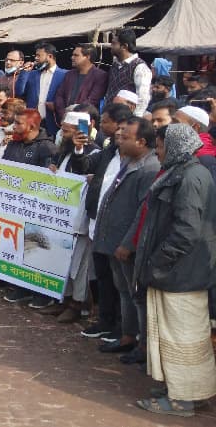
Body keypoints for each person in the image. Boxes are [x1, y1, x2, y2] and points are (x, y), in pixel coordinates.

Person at [133, 123, 216, 417]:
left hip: (179, 272)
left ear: (175, 146)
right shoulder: (186, 172)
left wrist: (158, 262)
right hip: (179, 270)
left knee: (180, 337)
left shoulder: (190, 177)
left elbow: (186, 231)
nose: (158, 151)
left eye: (161, 145)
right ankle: (189, 392)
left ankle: (182, 400)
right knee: (183, 336)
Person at [93, 117, 160, 358]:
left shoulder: (149, 168)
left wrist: (129, 243)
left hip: (127, 245)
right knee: (123, 290)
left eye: (126, 137)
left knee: (136, 295)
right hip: (114, 241)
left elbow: (143, 212)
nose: (120, 139)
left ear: (142, 141)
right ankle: (128, 337)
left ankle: (142, 345)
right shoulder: (130, 161)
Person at [72, 102, 134, 338]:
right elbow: (85, 166)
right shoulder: (108, 152)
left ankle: (122, 328)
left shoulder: (138, 161)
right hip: (97, 225)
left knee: (122, 285)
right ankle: (105, 320)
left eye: (107, 122)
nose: (118, 135)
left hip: (120, 232)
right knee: (104, 278)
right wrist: (79, 150)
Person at [48, 110, 100, 323]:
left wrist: (79, 148)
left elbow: (83, 168)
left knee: (80, 266)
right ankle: (63, 299)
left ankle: (78, 305)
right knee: (62, 262)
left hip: (80, 221)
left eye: (67, 131)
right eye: (62, 130)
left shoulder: (94, 152)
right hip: (61, 220)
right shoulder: (63, 151)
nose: (63, 134)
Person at [0, 109, 57, 303]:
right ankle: (20, 286)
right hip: (13, 205)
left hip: (36, 209)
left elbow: (49, 181)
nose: (13, 127)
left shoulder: (47, 148)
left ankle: (42, 292)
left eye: (17, 123)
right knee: (17, 245)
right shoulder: (14, 144)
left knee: (35, 248)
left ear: (32, 126)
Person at [15, 42, 68, 137]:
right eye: (36, 55)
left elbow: (68, 97)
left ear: (50, 56)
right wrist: (24, 72)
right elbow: (19, 91)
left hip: (54, 122)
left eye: (39, 55)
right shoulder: (32, 74)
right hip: (34, 123)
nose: (36, 58)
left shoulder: (64, 75)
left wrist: (56, 105)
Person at [105, 28, 151, 117]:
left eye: (114, 43)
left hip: (126, 118)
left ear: (124, 47)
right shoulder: (115, 65)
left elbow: (143, 97)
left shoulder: (140, 67)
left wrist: (135, 119)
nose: (111, 46)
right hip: (111, 116)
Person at [54, 44, 108, 118]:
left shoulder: (100, 75)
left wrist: (74, 112)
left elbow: (93, 100)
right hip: (65, 118)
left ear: (87, 57)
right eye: (73, 55)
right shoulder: (69, 74)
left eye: (76, 55)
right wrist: (63, 113)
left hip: (85, 119)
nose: (72, 57)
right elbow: (59, 96)